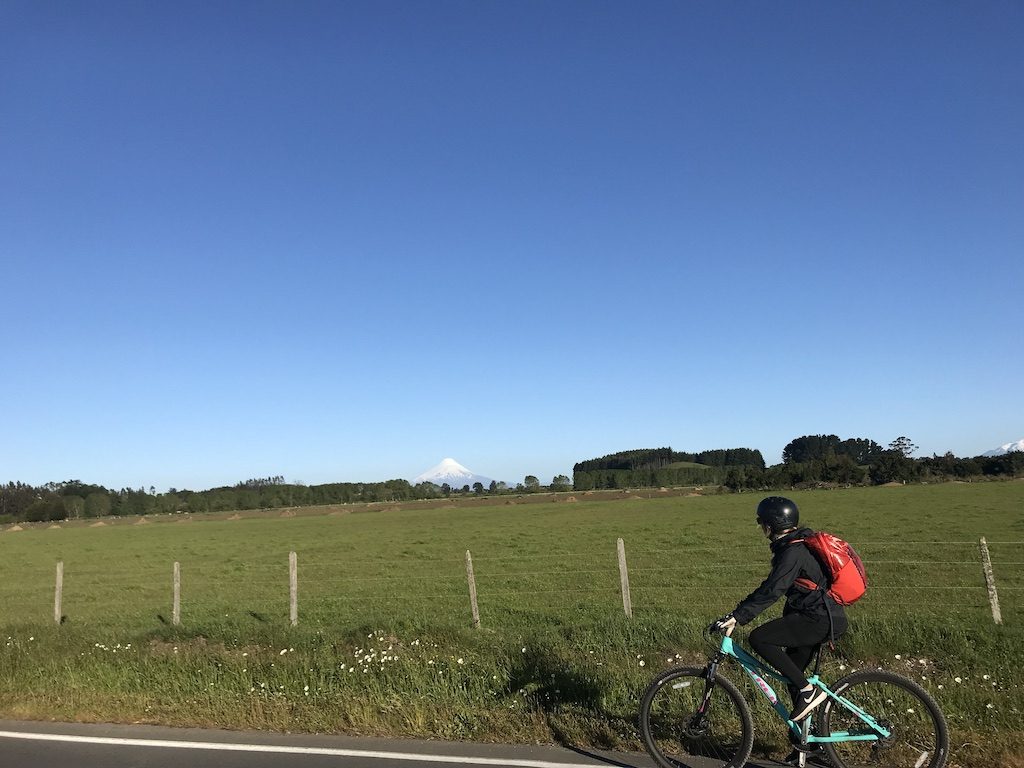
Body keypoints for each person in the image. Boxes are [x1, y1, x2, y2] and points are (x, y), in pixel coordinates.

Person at [711, 496, 848, 759]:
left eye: (762, 523)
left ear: (772, 524)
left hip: (817, 619)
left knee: (759, 639)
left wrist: (739, 617)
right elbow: (782, 588)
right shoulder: (796, 545)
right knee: (792, 677)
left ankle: (810, 692)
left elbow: (773, 589)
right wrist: (739, 612)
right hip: (820, 616)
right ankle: (809, 746)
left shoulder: (792, 551)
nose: (761, 528)